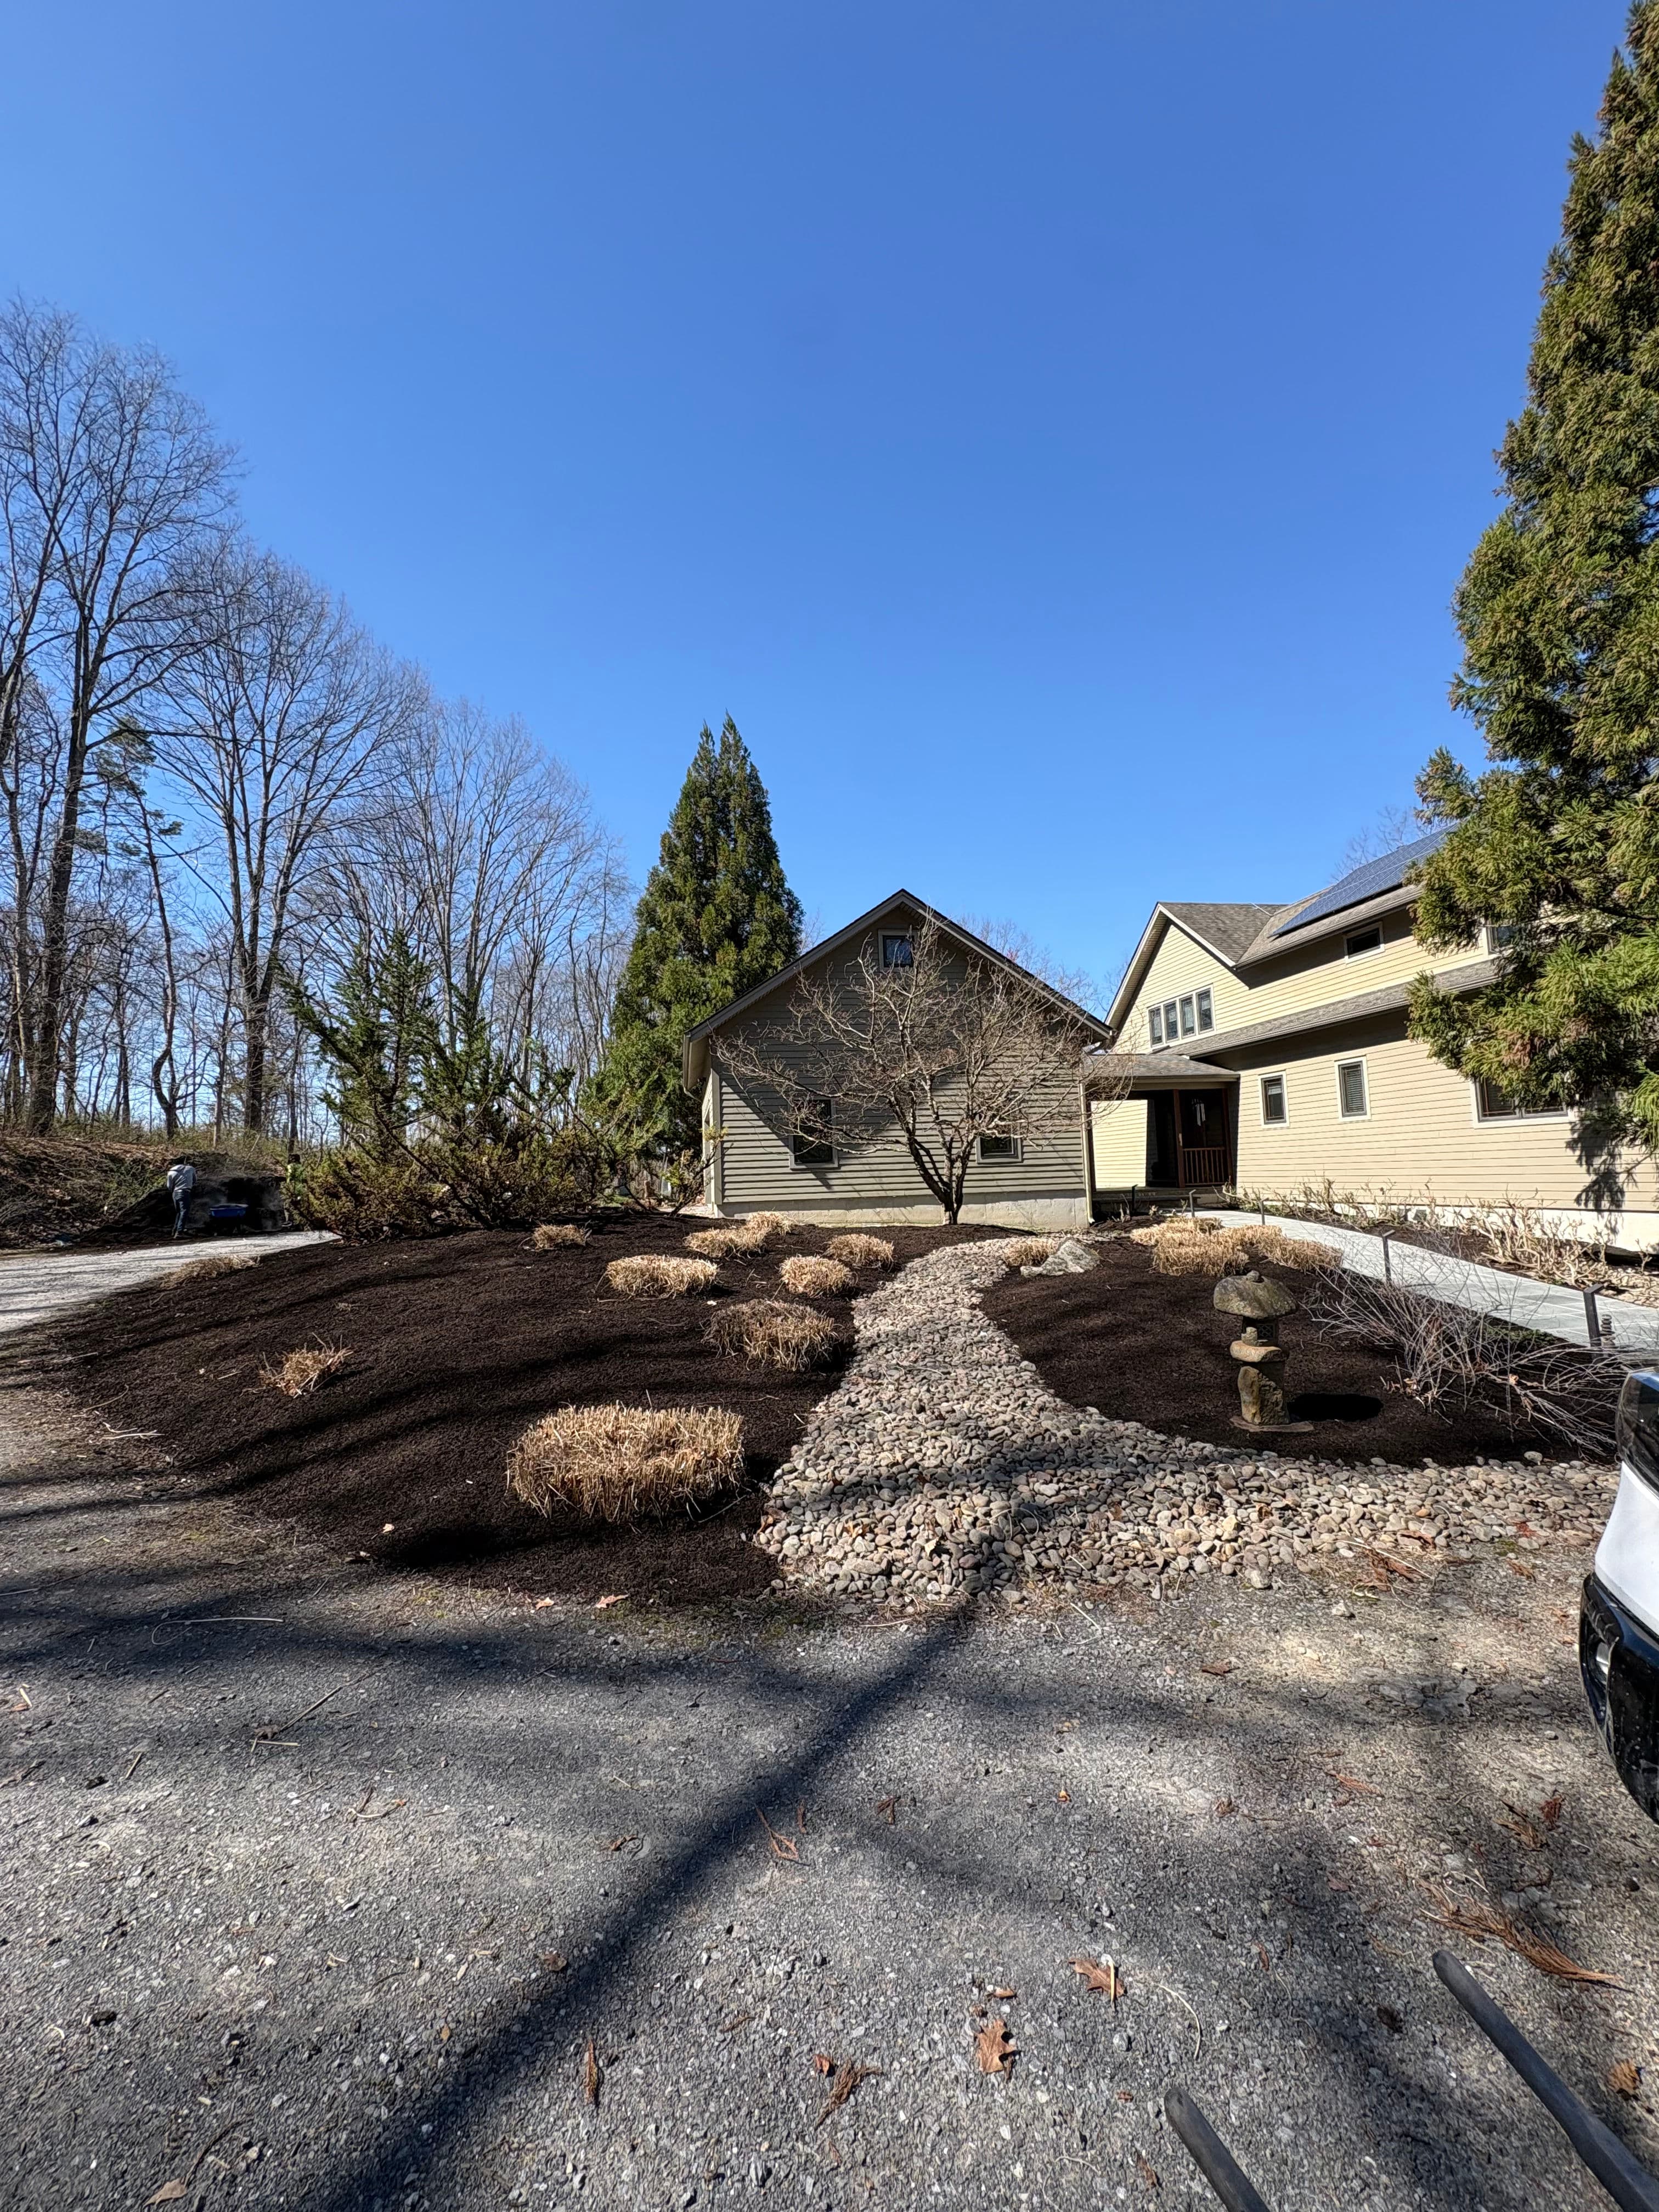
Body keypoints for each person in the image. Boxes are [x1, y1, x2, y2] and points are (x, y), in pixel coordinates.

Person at [165, 1160, 196, 1238]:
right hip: (185, 1192)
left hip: (175, 1193)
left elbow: (169, 1187)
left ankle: (175, 1230)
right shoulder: (191, 1169)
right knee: (184, 1212)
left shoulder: (171, 1173)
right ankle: (179, 1232)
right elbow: (195, 1180)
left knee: (179, 1212)